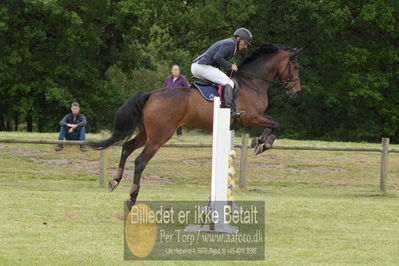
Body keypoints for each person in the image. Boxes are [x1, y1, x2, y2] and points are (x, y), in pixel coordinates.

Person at [191, 28, 252, 118]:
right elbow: (217, 57)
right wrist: (230, 66)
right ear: (239, 39)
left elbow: (217, 59)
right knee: (229, 82)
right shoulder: (231, 44)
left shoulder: (231, 44)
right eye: (246, 43)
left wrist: (223, 67)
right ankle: (230, 111)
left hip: (199, 66)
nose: (246, 46)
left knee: (222, 81)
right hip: (202, 67)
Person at [163, 64, 190, 141]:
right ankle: (167, 134)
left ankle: (179, 135)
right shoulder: (168, 79)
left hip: (179, 103)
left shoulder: (183, 79)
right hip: (168, 102)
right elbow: (163, 89)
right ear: (171, 71)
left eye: (177, 70)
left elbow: (188, 89)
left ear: (179, 71)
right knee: (166, 119)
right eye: (174, 70)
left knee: (177, 119)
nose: (175, 71)